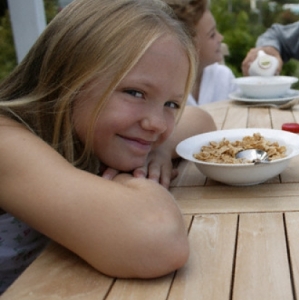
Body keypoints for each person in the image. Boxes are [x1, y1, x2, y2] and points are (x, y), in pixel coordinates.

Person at [0, 0, 216, 293]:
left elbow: (201, 120)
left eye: (170, 104)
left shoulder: (90, 134)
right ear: (68, 79)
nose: (158, 124)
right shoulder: (6, 142)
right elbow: (158, 238)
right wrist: (133, 184)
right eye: (135, 92)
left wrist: (160, 151)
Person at [165, 0, 239, 106]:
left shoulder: (223, 77)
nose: (220, 38)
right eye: (212, 34)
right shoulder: (164, 85)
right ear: (188, 43)